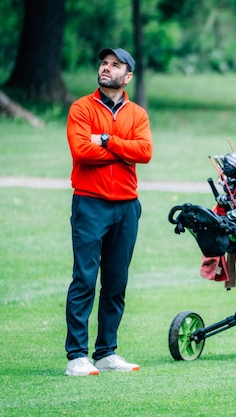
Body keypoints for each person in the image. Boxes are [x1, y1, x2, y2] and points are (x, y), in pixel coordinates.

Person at [64, 48, 153, 376]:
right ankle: (76, 355)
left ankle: (106, 352)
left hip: (127, 207)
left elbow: (144, 152)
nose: (106, 68)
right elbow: (81, 151)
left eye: (115, 65)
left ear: (127, 76)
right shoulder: (81, 108)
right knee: (85, 278)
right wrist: (120, 148)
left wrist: (106, 140)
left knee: (116, 281)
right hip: (90, 203)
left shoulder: (137, 114)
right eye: (104, 63)